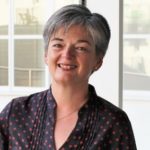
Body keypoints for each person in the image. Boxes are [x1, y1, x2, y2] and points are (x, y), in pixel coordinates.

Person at [0, 4, 137, 150]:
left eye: (81, 48)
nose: (67, 54)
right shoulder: (16, 113)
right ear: (46, 55)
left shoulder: (114, 122)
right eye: (58, 45)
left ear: (98, 61)